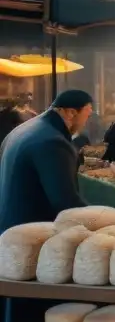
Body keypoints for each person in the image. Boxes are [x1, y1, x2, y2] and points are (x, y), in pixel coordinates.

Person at [0, 89, 93, 233]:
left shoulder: (23, 129)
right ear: (71, 113)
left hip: (8, 227)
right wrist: (103, 221)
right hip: (29, 234)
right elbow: (66, 203)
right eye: (87, 115)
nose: (85, 123)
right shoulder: (53, 142)